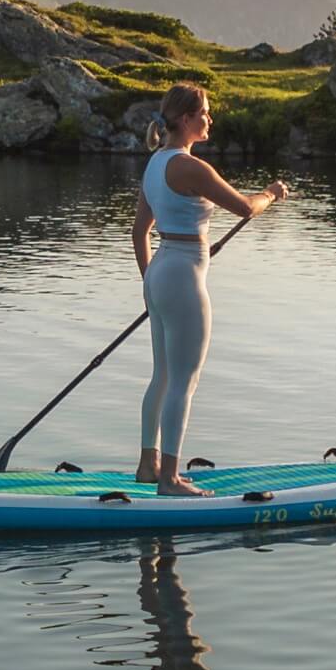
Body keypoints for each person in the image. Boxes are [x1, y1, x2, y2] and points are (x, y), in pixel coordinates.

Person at [131, 83, 287, 494]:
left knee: (162, 376)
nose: (209, 119)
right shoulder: (188, 167)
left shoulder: (154, 163)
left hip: (161, 271)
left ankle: (148, 467)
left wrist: (149, 284)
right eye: (204, 112)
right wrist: (271, 193)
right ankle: (169, 479)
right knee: (185, 380)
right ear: (185, 119)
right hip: (182, 276)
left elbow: (139, 232)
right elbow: (244, 207)